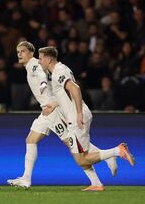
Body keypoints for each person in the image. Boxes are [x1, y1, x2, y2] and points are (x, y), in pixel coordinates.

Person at [7, 41, 117, 191]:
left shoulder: (33, 64)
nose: (19, 54)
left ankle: (106, 160)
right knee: (31, 140)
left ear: (31, 53)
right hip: (46, 111)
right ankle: (26, 178)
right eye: (18, 51)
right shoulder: (30, 66)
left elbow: (41, 75)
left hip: (52, 112)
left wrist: (44, 85)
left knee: (72, 145)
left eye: (23, 51)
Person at [38, 46, 135, 189]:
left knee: (81, 159)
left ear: (49, 58)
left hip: (77, 117)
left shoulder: (59, 72)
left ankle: (116, 151)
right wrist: (54, 104)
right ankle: (96, 183)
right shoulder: (60, 70)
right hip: (76, 115)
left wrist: (78, 114)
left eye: (41, 59)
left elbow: (75, 89)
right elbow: (65, 94)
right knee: (82, 150)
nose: (39, 62)